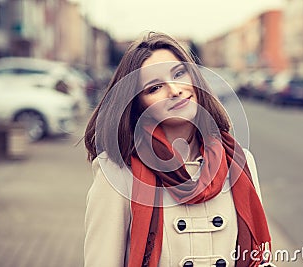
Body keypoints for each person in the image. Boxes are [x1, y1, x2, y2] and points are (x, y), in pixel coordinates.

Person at [84, 32, 272, 267]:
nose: (174, 90)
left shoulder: (240, 163)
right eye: (155, 87)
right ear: (137, 104)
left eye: (179, 73)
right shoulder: (118, 174)